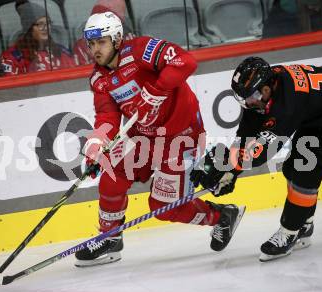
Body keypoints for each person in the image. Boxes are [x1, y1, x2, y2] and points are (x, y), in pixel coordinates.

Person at [74, 11, 245, 267]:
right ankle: (110, 239)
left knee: (163, 207)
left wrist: (156, 91)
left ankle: (221, 216)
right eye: (91, 44)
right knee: (111, 174)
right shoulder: (99, 79)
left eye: (101, 42)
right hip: (141, 136)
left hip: (180, 137)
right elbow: (108, 116)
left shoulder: (142, 50)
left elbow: (185, 61)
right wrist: (97, 144)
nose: (95, 50)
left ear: (118, 39)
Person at [190, 57, 322, 262]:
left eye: (250, 97)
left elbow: (260, 152)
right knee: (291, 169)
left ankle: (290, 232)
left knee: (306, 172)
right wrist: (230, 172)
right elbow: (247, 136)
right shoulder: (264, 89)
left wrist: (230, 166)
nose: (247, 103)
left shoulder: (287, 104)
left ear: (267, 88)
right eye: (242, 98)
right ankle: (304, 222)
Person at [1, 2, 75, 75]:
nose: (46, 28)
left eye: (48, 23)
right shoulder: (12, 57)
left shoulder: (60, 51)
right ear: (29, 28)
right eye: (40, 24)